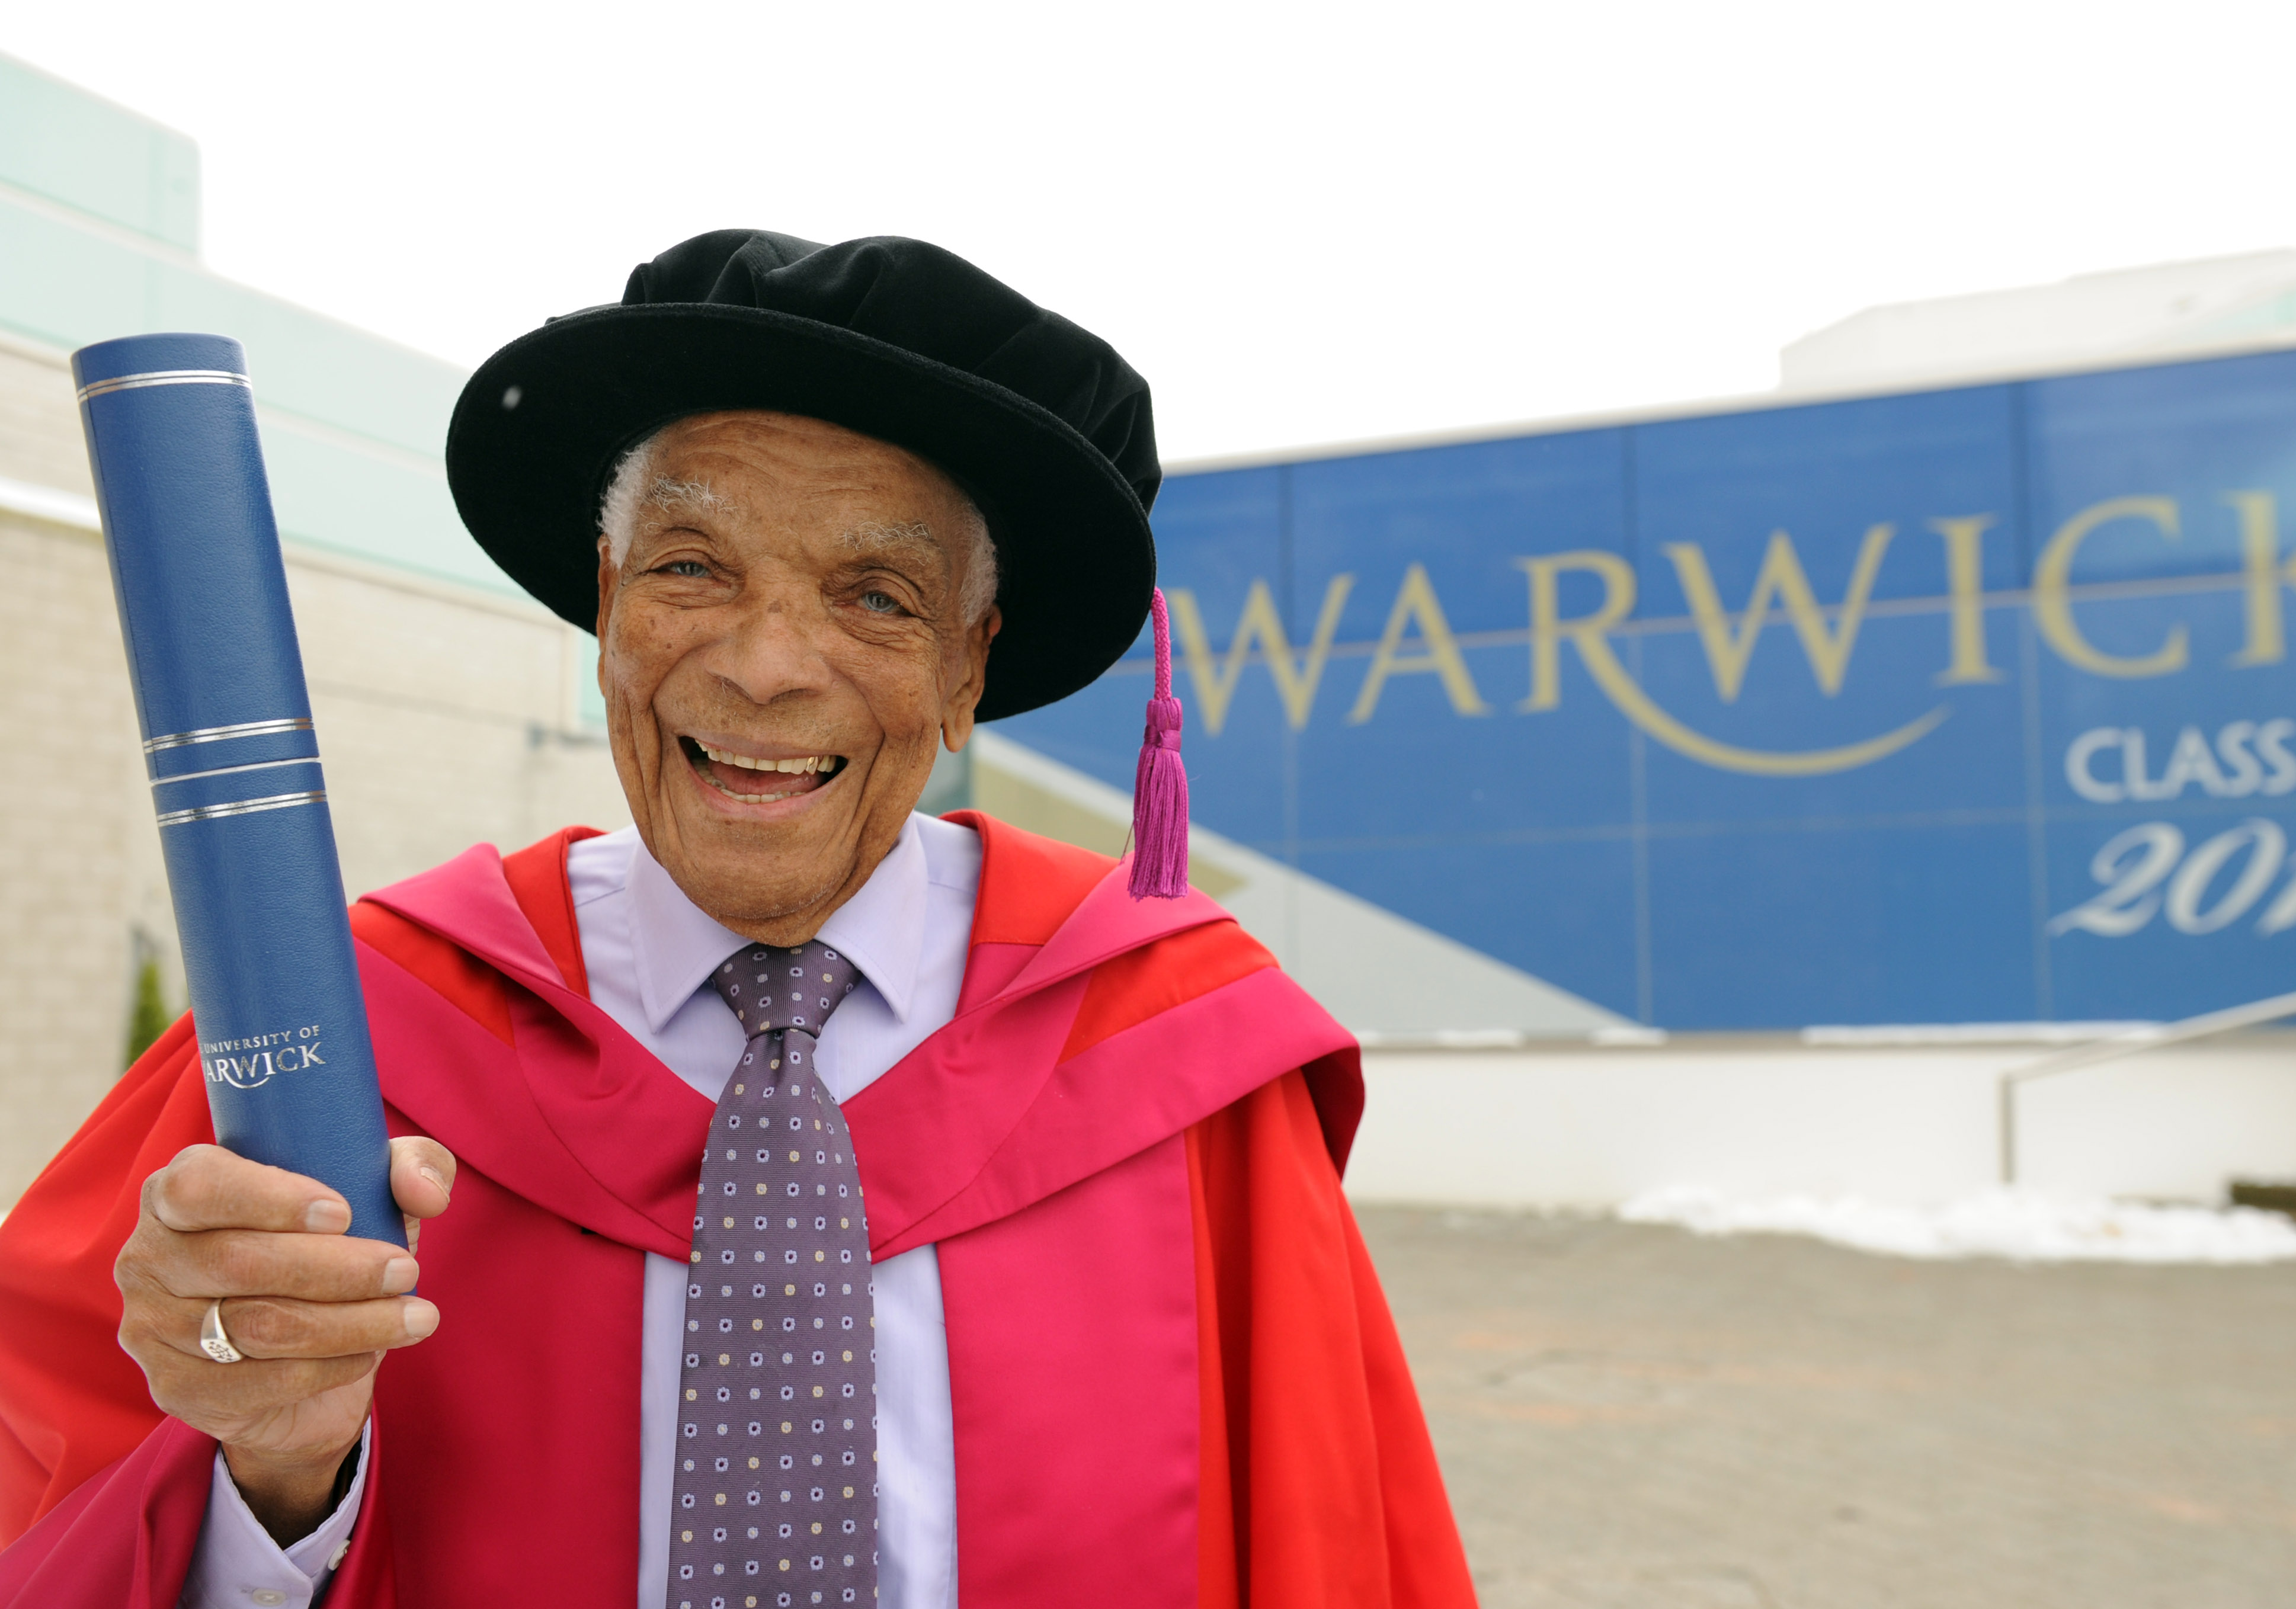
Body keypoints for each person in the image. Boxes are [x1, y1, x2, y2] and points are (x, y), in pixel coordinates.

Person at [0, 232, 1475, 1608]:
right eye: (691, 567)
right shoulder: (343, 1037)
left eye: (876, 596)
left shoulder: (1185, 1065)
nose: (766, 665)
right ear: (605, 608)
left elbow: (1336, 1546)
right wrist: (268, 1473)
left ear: (968, 669)